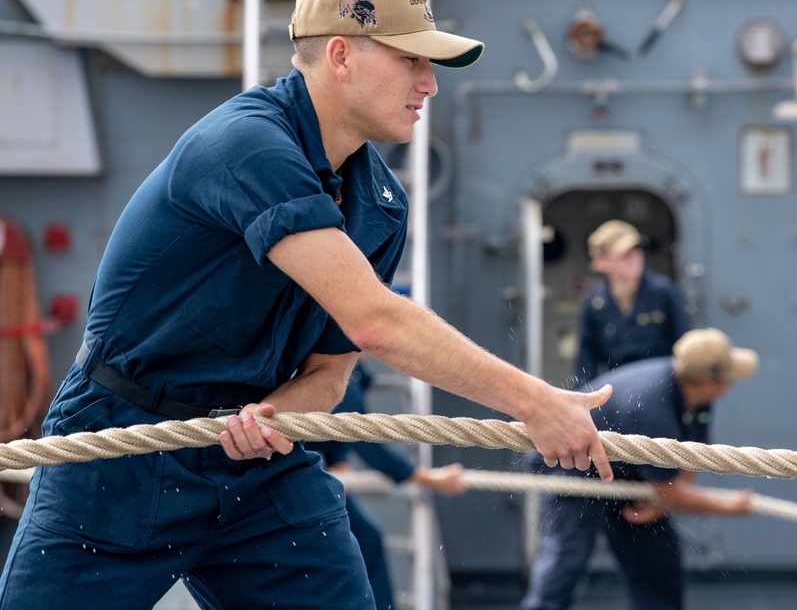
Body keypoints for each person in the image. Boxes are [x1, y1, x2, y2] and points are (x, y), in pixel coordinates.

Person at [0, 0, 614, 610]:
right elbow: (376, 321)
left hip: (259, 463)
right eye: (412, 61)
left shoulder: (380, 205)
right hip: (122, 449)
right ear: (341, 56)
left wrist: (287, 411)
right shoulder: (244, 146)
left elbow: (332, 367)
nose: (430, 84)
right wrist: (534, 402)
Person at [522, 328, 758, 610]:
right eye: (726, 377)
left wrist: (663, 500)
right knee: (566, 556)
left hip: (630, 473)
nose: (730, 384)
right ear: (707, 382)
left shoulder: (698, 399)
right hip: (572, 466)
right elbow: (671, 490)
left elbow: (693, 456)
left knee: (658, 562)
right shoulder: (652, 407)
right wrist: (731, 507)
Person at [306, 361, 466, 610]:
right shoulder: (339, 373)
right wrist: (428, 479)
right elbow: (363, 438)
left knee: (361, 541)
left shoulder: (349, 372)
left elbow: (334, 424)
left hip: (309, 472)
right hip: (298, 475)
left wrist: (339, 460)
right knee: (363, 541)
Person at [574, 219, 691, 385]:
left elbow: (686, 346)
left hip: (663, 388)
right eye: (624, 254)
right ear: (602, 263)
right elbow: (586, 363)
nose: (634, 258)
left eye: (637, 250)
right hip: (619, 391)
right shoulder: (594, 305)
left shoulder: (664, 293)